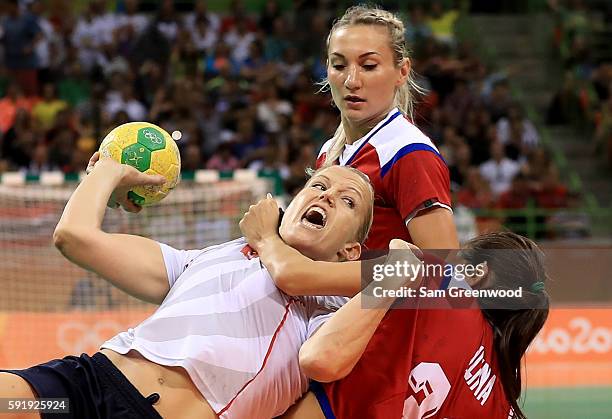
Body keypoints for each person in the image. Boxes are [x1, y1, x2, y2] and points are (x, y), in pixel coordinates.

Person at [0, 155, 378, 419]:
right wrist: (106, 171)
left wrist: (396, 275)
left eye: (347, 201)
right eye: (318, 185)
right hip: (80, 390)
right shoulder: (206, 258)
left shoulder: (327, 307)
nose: (326, 196)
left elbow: (324, 361)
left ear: (350, 251)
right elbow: (74, 236)